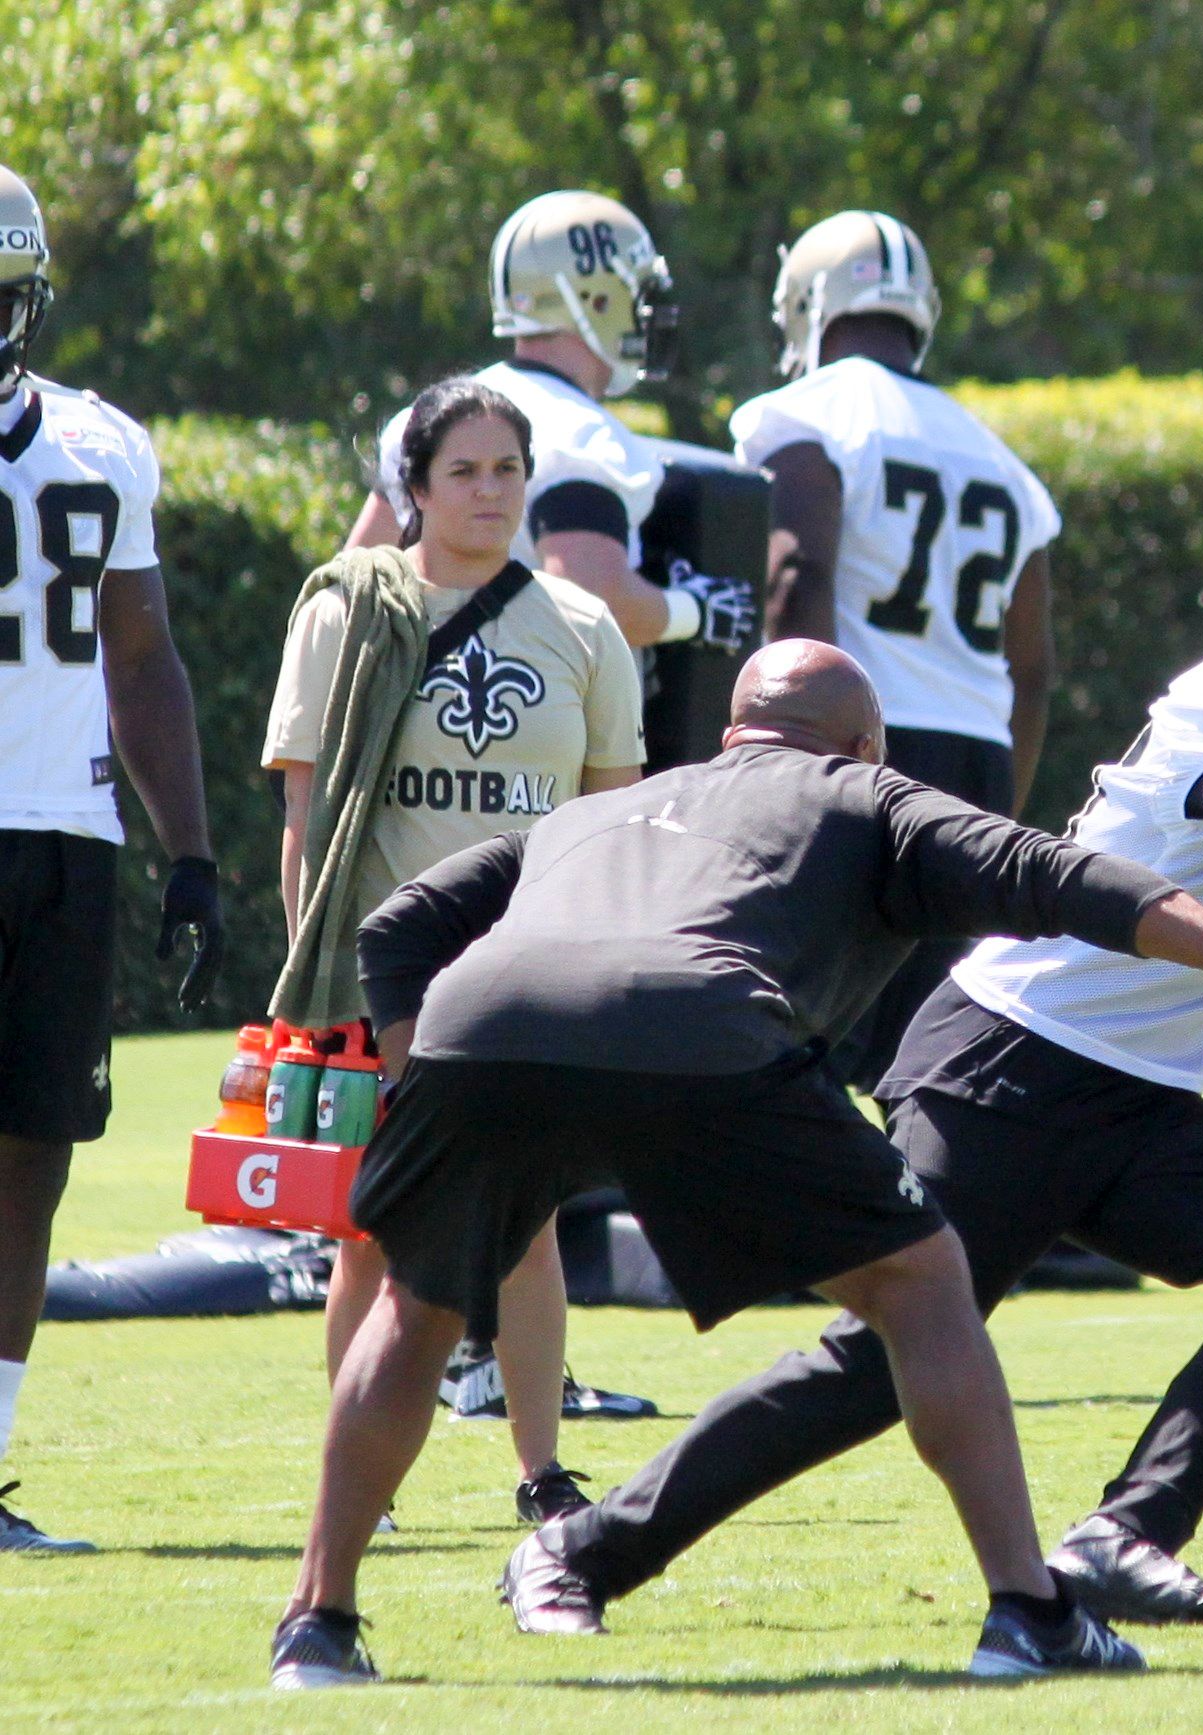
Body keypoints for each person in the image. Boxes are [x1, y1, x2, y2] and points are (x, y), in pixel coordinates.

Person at [501, 442, 1203, 1633]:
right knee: (881, 1361)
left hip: (1133, 1085)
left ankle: (1126, 1534)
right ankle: (580, 1545)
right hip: (1010, 1060)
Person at [267, 638, 1203, 1689]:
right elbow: (1053, 873)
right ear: (865, 741)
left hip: (481, 1019)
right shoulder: (866, 796)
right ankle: (1029, 1610)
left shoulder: (591, 813)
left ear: (729, 734)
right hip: (698, 1019)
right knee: (922, 1284)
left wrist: (428, 1076)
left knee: (416, 1314)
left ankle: (316, 1623)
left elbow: (400, 922)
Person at [266, 378, 646, 1524]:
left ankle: (542, 1473)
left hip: (527, 971)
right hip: (387, 978)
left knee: (529, 1230)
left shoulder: (582, 627)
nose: (490, 492)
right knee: (374, 1234)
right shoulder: (342, 611)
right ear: (414, 488)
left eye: (509, 470)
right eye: (465, 471)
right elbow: (306, 827)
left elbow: (610, 826)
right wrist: (318, 992)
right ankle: (362, 1484)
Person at [0, 164, 222, 1554]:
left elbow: (141, 658)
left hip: (64, 838)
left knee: (33, 1156)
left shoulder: (100, 441)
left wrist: (189, 850)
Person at [735, 210, 1058, 1093]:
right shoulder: (999, 459)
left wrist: (789, 768)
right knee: (928, 1056)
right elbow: (1030, 673)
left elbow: (798, 579)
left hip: (855, 746)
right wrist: (993, 817)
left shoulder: (805, 416)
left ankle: (806, 1229)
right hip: (978, 760)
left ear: (809, 305)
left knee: (794, 1035)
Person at [346, 190, 756, 656]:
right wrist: (695, 610)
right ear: (598, 300)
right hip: (521, 707)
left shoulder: (424, 415)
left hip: (420, 702)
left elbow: (355, 586)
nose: (646, 313)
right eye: (637, 293)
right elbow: (592, 601)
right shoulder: (580, 435)